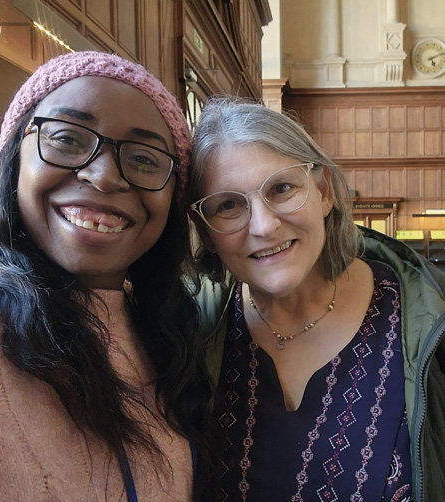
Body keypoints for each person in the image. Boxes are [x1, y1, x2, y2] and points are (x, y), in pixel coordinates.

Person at [0, 51, 215, 501]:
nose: (104, 176)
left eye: (145, 159)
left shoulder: (166, 330)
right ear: (16, 154)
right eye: (68, 139)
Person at [187, 97, 445, 502]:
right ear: (205, 232)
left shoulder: (429, 318)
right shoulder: (185, 335)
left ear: (323, 191)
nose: (265, 225)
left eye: (283, 188)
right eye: (229, 205)